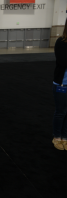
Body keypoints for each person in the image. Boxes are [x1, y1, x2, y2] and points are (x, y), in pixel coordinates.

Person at [52, 18, 67, 150]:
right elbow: (63, 62)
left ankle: (65, 137)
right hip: (61, 84)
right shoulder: (61, 42)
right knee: (60, 112)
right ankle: (57, 137)